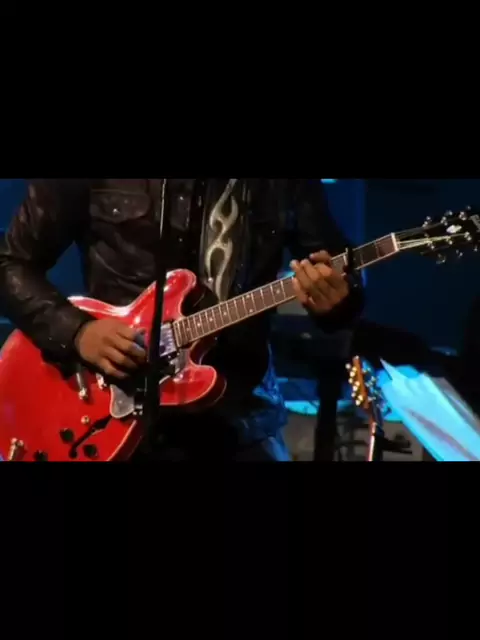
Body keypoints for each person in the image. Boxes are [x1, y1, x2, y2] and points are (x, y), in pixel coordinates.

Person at [0, 179, 364, 461]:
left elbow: (341, 273)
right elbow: (10, 263)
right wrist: (78, 332)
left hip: (237, 420)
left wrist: (335, 301)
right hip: (109, 411)